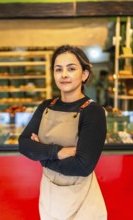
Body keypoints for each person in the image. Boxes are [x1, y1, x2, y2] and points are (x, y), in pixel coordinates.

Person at [18, 45, 107, 220]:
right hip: (50, 197)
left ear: (84, 74)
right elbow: (23, 144)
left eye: (71, 68)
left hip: (81, 203)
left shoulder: (93, 111)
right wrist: (58, 152)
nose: (64, 74)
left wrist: (42, 155)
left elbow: (83, 166)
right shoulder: (46, 106)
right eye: (58, 69)